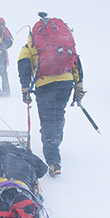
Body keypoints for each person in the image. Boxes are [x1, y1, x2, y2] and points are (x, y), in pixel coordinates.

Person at [17, 13, 84, 177]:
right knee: (58, 113)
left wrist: (25, 90)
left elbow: (23, 66)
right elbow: (75, 60)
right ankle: (55, 141)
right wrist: (78, 84)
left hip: (44, 84)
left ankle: (53, 160)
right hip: (65, 82)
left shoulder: (30, 46)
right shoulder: (62, 43)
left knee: (47, 120)